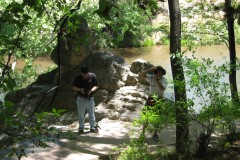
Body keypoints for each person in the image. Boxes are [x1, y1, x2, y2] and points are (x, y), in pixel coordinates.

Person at [139, 65, 168, 141]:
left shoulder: (165, 80)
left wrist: (157, 79)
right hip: (150, 98)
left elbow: (162, 89)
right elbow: (141, 75)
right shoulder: (151, 78)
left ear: (162, 73)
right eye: (157, 71)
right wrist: (150, 69)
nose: (158, 73)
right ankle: (142, 134)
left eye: (160, 72)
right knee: (146, 117)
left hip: (159, 100)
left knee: (157, 118)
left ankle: (155, 134)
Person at [72, 65, 99, 134]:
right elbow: (73, 87)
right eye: (84, 75)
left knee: (91, 114)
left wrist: (91, 91)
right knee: (81, 114)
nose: (85, 76)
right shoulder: (77, 78)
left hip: (90, 98)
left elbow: (96, 85)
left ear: (88, 72)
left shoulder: (92, 76)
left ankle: (92, 128)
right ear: (81, 73)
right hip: (81, 98)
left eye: (86, 74)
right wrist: (80, 89)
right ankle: (81, 128)